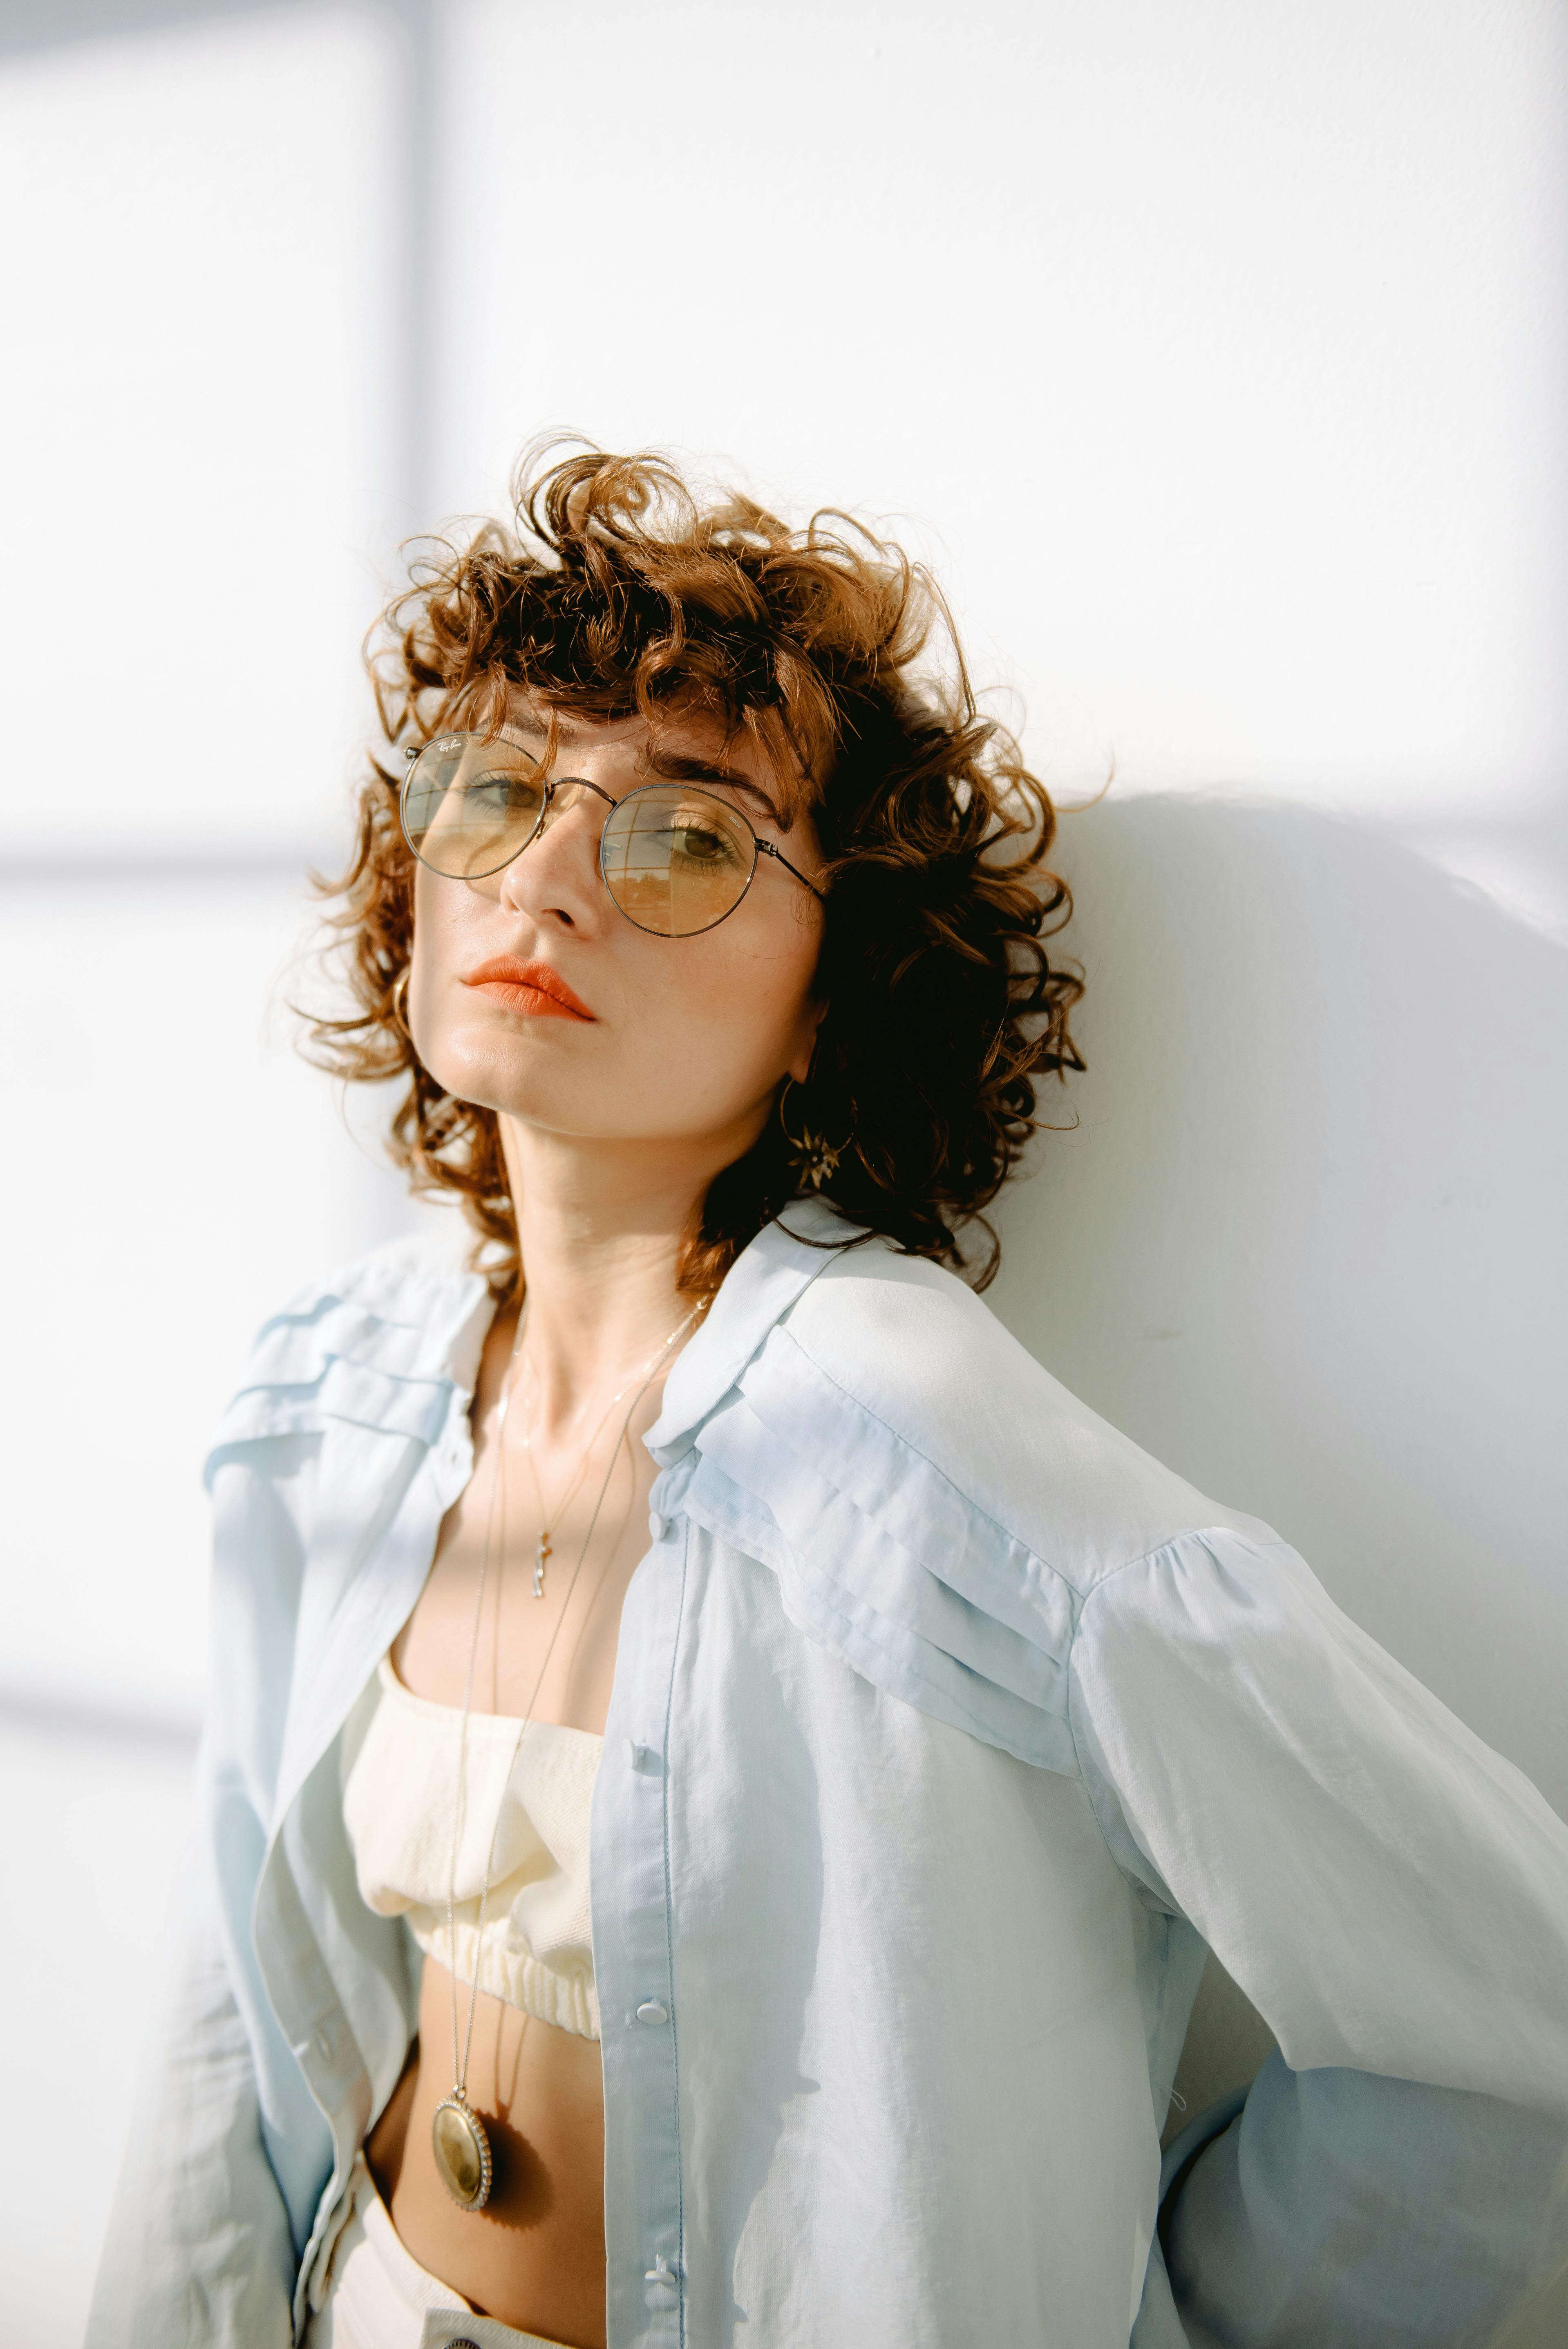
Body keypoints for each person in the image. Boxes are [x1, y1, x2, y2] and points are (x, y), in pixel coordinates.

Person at [89, 446, 1568, 2349]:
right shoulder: (332, 1397)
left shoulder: (896, 1428)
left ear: (832, 986)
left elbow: (1496, 2024)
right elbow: (235, 2003)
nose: (546, 878)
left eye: (686, 838)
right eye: (496, 796)